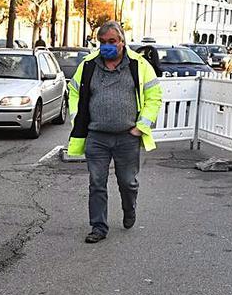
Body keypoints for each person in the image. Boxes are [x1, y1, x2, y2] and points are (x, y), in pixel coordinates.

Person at [66, 21, 162, 244]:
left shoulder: (139, 66)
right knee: (96, 182)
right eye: (102, 42)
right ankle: (98, 227)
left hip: (127, 137)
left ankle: (129, 209)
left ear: (122, 42)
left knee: (127, 182)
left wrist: (140, 127)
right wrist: (77, 119)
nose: (106, 46)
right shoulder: (89, 65)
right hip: (96, 137)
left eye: (111, 42)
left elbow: (154, 97)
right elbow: (73, 92)